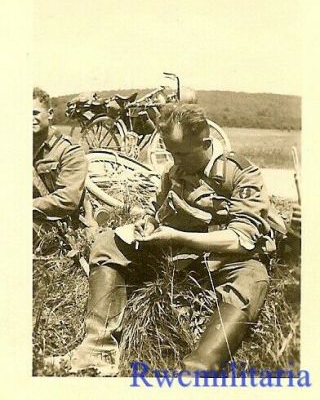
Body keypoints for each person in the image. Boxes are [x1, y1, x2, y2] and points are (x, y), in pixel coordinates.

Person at [46, 103, 274, 376]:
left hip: (228, 258)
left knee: (251, 280)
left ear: (206, 143)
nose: (175, 161)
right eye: (170, 152)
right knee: (108, 243)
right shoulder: (173, 171)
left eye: (181, 154)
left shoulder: (241, 174)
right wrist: (150, 223)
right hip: (179, 253)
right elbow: (160, 210)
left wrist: (178, 236)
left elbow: (241, 239)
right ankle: (98, 351)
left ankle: (196, 369)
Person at [33, 87, 93, 248]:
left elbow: (67, 199)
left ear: (50, 114)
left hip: (60, 225)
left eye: (34, 113)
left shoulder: (69, 150)